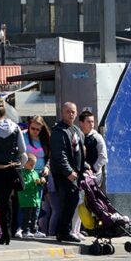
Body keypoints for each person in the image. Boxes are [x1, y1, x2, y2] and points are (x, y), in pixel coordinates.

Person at [0, 99, 27, 245]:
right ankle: (9, 231)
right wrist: (19, 165)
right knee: (10, 200)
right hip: (12, 168)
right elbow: (23, 151)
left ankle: (5, 233)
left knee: (2, 201)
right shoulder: (15, 127)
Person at [49, 102, 85, 243]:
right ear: (62, 113)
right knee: (69, 200)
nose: (71, 114)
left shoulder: (76, 130)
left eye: (73, 112)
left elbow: (80, 153)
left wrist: (85, 167)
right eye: (68, 112)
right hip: (63, 174)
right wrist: (68, 171)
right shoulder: (59, 131)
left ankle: (64, 230)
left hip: (75, 173)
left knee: (73, 200)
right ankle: (63, 231)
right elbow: (59, 155)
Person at [17, 153, 44, 237]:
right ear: (25, 163)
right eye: (31, 164)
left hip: (35, 199)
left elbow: (37, 186)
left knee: (35, 216)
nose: (33, 166)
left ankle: (34, 230)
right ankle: (26, 231)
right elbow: (23, 185)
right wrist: (33, 182)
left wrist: (41, 182)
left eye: (34, 165)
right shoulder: (22, 172)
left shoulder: (35, 172)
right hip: (26, 199)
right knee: (27, 217)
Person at [79, 110, 108, 183]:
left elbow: (103, 157)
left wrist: (92, 169)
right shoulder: (77, 136)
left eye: (92, 122)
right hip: (80, 175)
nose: (91, 124)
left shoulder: (97, 137)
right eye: (88, 122)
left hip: (94, 176)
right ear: (81, 123)